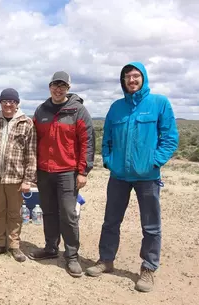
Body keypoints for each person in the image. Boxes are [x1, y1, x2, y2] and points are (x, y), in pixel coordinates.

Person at [85, 62, 179, 292]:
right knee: (110, 221)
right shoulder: (116, 107)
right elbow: (106, 137)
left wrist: (154, 161)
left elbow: (170, 138)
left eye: (136, 76)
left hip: (147, 176)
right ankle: (106, 259)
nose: (132, 80)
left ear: (143, 78)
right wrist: (109, 160)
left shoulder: (159, 103)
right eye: (128, 77)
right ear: (123, 81)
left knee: (151, 225)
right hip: (118, 176)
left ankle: (148, 268)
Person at [30, 71, 95, 277]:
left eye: (62, 86)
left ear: (68, 88)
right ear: (49, 87)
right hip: (44, 171)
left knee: (68, 214)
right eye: (54, 85)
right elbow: (33, 140)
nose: (58, 89)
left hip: (67, 171)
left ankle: (72, 256)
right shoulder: (41, 110)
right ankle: (50, 248)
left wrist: (83, 171)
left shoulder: (78, 110)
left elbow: (87, 141)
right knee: (48, 211)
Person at [0, 88, 37, 263]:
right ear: (0, 103)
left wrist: (28, 179)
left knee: (14, 213)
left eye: (12, 102)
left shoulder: (26, 123)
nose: (8, 105)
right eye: (5, 101)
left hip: (16, 177)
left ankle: (14, 245)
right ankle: (0, 242)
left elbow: (31, 153)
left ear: (17, 104)